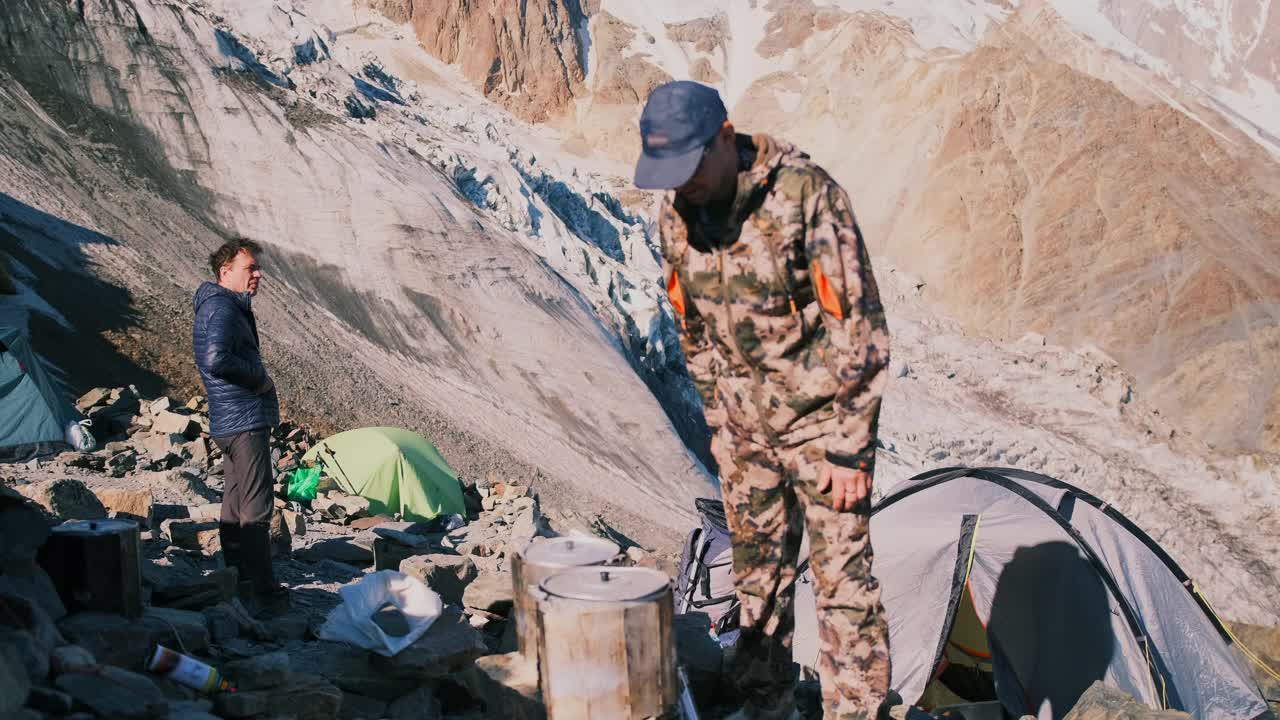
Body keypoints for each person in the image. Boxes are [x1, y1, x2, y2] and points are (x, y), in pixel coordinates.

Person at [634, 80, 892, 719]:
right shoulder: (678, 215)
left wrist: (852, 453)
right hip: (747, 439)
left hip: (822, 433)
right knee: (758, 591)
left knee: (845, 594)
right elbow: (690, 324)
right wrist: (719, 422)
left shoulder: (806, 196)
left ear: (725, 137)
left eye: (691, 168)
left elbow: (861, 328)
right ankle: (764, 710)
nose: (683, 186)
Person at [192, 237, 287, 616]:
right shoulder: (222, 308)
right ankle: (263, 590)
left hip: (228, 420)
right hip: (244, 419)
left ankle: (234, 577)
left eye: (258, 268)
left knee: (233, 501)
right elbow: (216, 359)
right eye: (250, 268)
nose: (258, 275)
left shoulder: (216, 305)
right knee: (256, 507)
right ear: (225, 270)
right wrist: (259, 380)